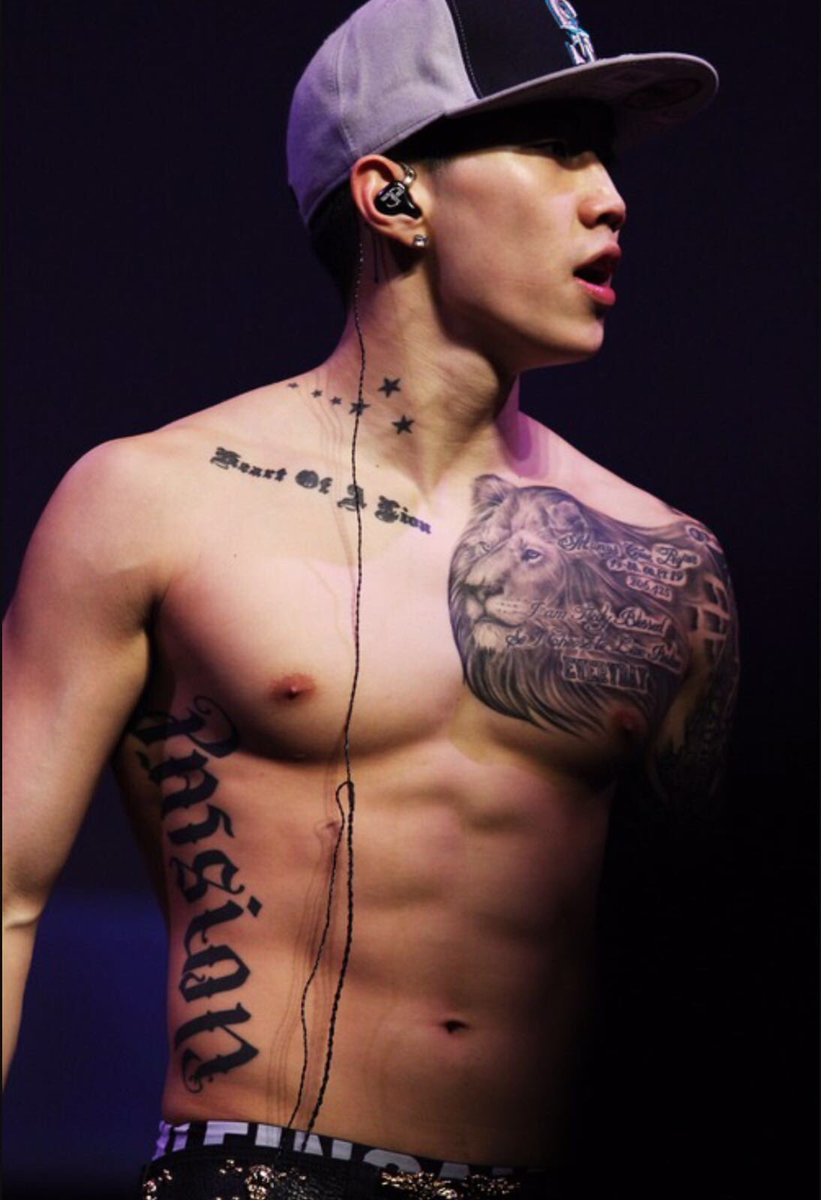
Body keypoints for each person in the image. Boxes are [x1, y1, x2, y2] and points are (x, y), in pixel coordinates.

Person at [2, 1, 739, 1196]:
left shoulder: (664, 563)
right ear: (393, 195)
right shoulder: (150, 504)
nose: (609, 199)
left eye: (605, 159)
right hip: (255, 1171)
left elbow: (708, 980)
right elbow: (6, 898)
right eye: (559, 148)